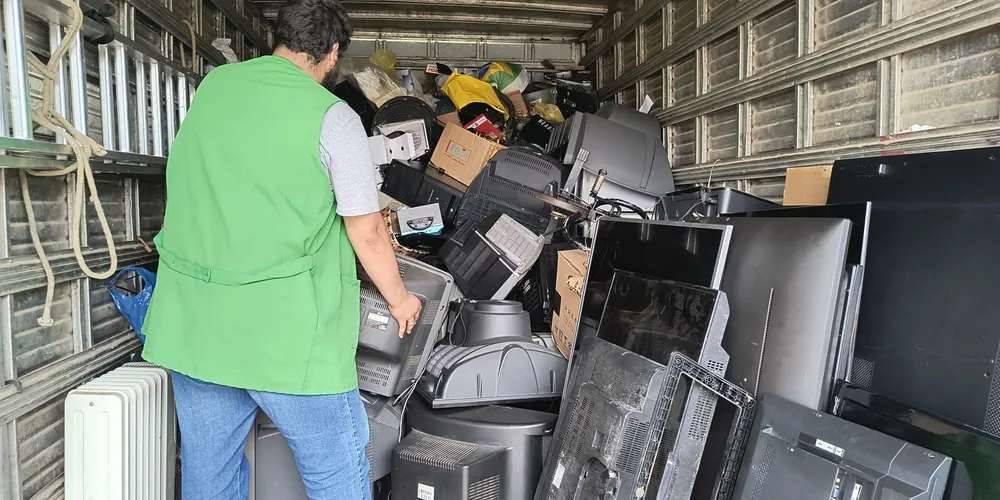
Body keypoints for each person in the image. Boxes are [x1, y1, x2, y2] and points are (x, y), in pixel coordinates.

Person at [140, 0, 421, 498]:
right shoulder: (333, 117)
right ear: (332, 54)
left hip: (195, 327)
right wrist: (400, 300)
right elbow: (368, 231)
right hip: (287, 338)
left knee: (209, 474)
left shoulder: (213, 87)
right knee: (336, 466)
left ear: (279, 39)